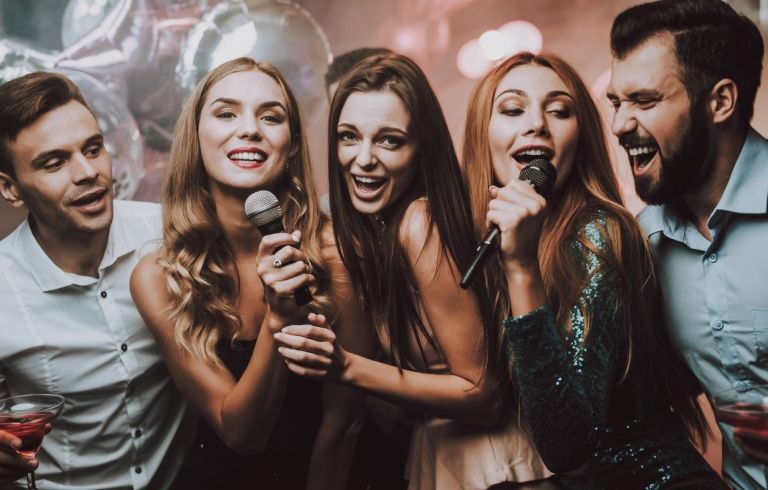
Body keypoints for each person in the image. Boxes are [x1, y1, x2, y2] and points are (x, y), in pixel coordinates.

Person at [275, 53, 551, 490]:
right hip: (443, 454)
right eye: (349, 137)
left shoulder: (420, 223)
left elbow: (483, 394)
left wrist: (345, 367)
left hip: (494, 463)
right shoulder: (374, 235)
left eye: (389, 140)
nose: (363, 159)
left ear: (421, 147)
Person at [464, 51, 728, 488]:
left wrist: (521, 268)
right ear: (481, 134)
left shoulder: (601, 234)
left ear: (580, 136)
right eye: (513, 109)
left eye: (559, 111)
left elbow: (567, 446)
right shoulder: (484, 240)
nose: (537, 124)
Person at [130, 57, 366, 489]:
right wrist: (280, 318)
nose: (250, 129)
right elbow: (240, 433)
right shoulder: (159, 277)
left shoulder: (338, 252)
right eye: (226, 114)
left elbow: (343, 425)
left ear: (292, 145)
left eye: (270, 117)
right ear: (196, 136)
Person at [0, 72, 193, 489]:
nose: (88, 172)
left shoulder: (169, 235)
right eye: (54, 163)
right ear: (10, 188)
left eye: (93, 148)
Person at [607, 0, 766, 487]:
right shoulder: (642, 244)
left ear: (720, 102)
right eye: (616, 102)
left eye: (645, 100)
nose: (619, 125)